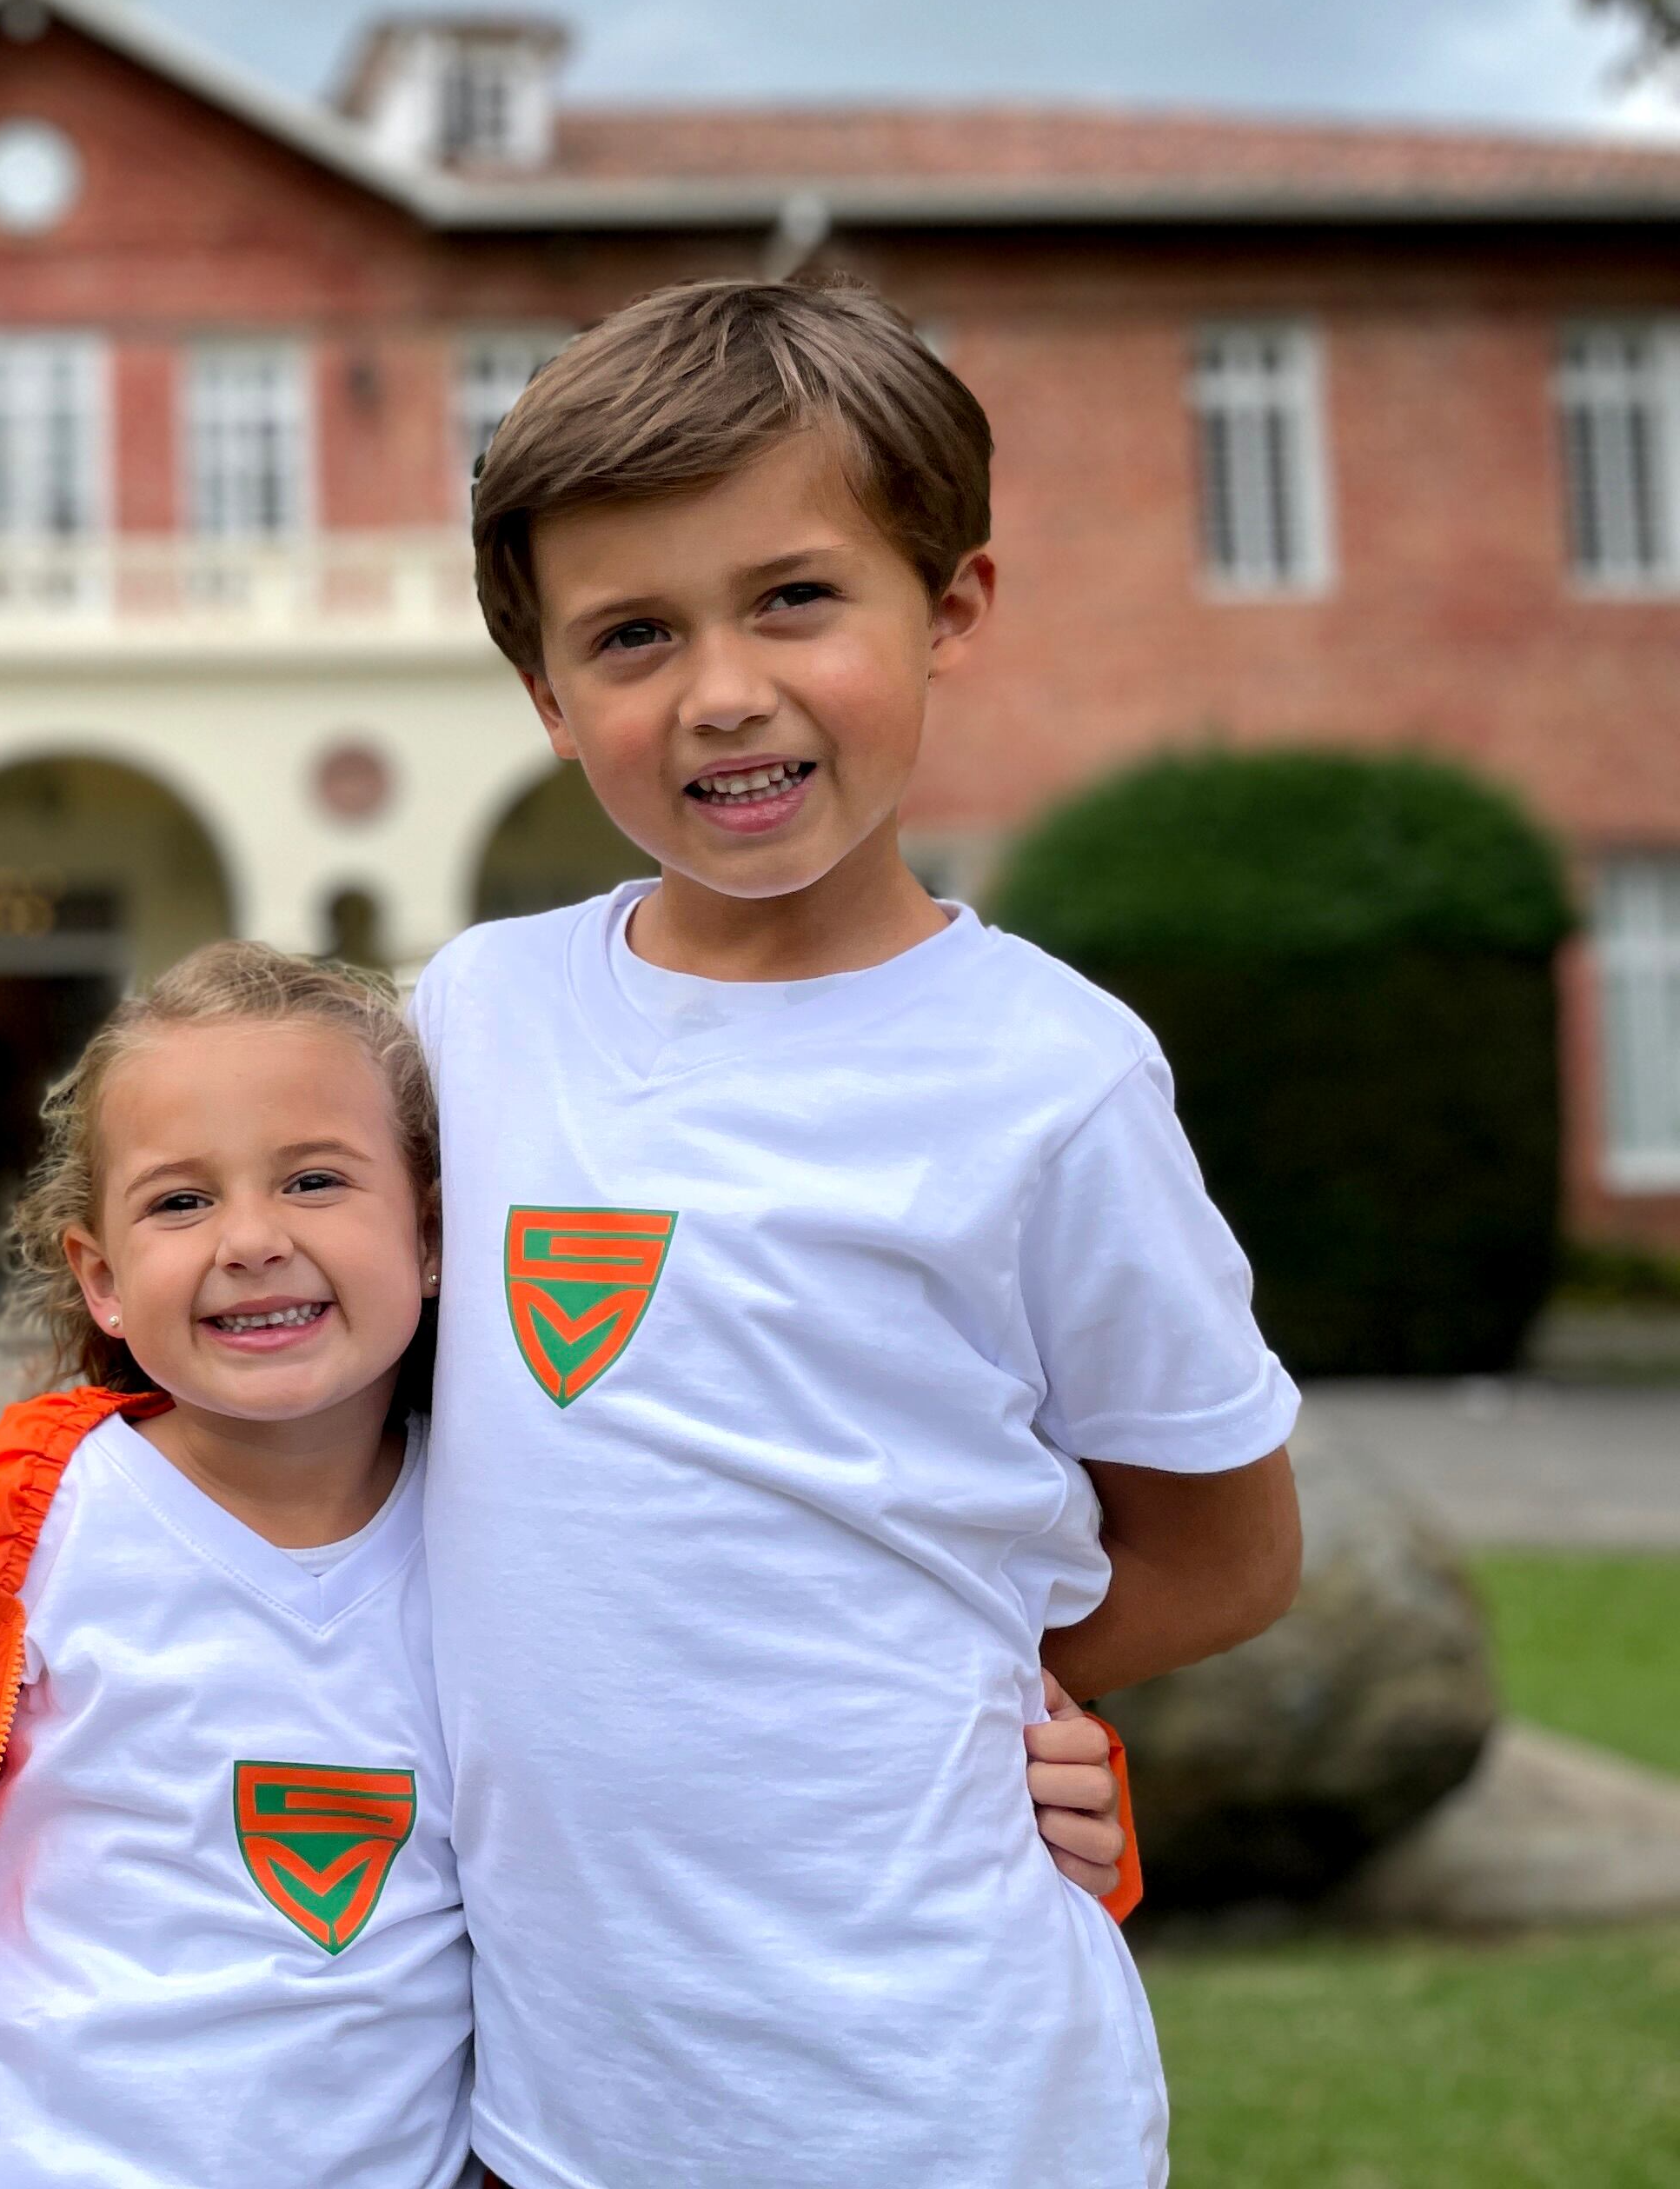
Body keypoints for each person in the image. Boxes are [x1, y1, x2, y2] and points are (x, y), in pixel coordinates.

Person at [0, 940, 1136, 2189]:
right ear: (98, 1278)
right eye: (179, 1201)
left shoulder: (523, 1530)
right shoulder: (30, 1528)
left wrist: (1038, 1795)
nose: (250, 1240)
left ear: (433, 1237)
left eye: (314, 1180)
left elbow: (717, 1748)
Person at [425, 276, 1306, 2189]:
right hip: (559, 2113)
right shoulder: (471, 1017)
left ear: (951, 606)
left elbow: (1228, 1551)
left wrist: (973, 1687)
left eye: (795, 599)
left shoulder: (1053, 1078)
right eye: (634, 634)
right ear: (549, 697)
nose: (721, 691)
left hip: (936, 2097)